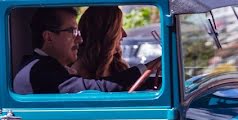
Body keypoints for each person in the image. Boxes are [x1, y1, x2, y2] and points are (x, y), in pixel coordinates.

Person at [14, 7, 159, 94]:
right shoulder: (39, 71)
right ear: (49, 37)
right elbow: (95, 90)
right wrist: (147, 67)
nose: (80, 39)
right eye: (72, 32)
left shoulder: (46, 66)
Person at [71, 6, 131, 79]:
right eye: (118, 28)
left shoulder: (121, 67)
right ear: (105, 33)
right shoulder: (75, 71)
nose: (125, 34)